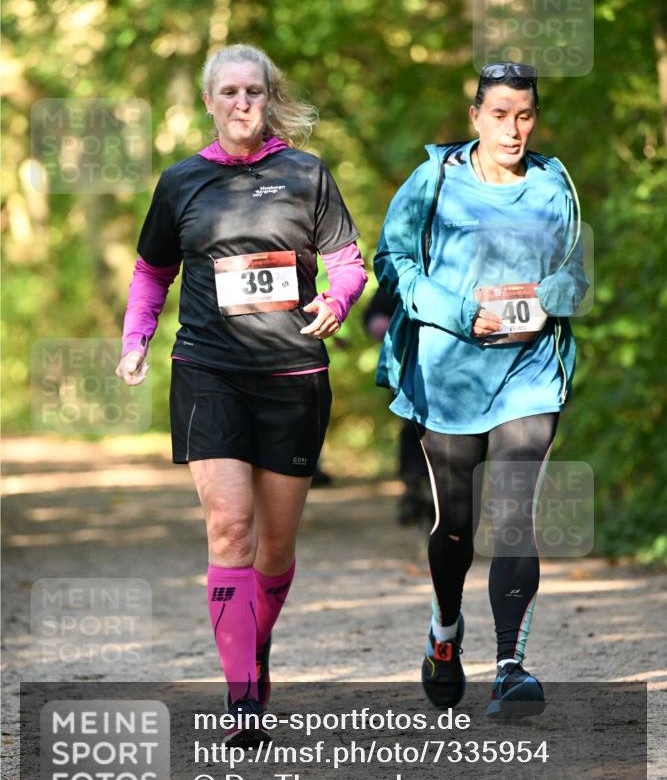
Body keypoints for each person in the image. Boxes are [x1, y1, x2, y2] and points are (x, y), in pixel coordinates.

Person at [116, 43, 366, 742]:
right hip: (208, 371)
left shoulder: (305, 174)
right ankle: (242, 696)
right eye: (227, 92)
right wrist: (136, 339)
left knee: (275, 549)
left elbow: (348, 261)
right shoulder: (181, 182)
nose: (240, 103)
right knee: (230, 528)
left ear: (269, 96)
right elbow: (151, 271)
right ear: (208, 101)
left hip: (292, 377)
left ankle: (253, 643)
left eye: (252, 91)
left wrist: (338, 300)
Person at [374, 62, 588, 719]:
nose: (513, 129)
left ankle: (509, 668)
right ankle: (444, 631)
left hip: (529, 375)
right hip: (449, 376)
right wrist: (459, 311)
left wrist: (546, 299)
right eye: (499, 114)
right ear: (475, 117)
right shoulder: (433, 179)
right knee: (455, 527)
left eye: (524, 115)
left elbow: (574, 272)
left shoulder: (553, 183)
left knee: (515, 516)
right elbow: (392, 262)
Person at [363, 286, 435, 528]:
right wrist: (379, 324)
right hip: (406, 367)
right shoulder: (400, 272)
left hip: (449, 366)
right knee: (411, 427)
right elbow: (371, 315)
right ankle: (412, 485)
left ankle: (438, 488)